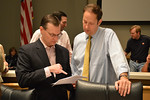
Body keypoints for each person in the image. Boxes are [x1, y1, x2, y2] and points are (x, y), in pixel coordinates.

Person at [71, 4, 131, 97]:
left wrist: (123, 76)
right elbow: (74, 66)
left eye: (91, 23)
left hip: (102, 93)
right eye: (84, 21)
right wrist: (73, 80)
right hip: (81, 92)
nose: (86, 27)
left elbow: (118, 57)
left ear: (99, 22)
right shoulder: (77, 39)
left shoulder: (108, 35)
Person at [16, 14, 73, 100]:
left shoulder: (63, 51)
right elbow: (22, 80)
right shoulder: (27, 51)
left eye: (58, 35)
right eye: (52, 35)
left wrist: (73, 84)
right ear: (41, 30)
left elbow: (66, 78)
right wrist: (48, 70)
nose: (55, 39)